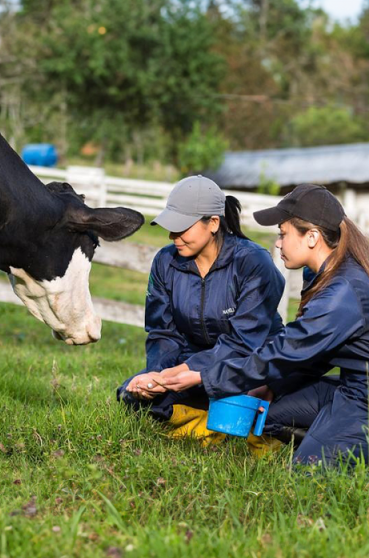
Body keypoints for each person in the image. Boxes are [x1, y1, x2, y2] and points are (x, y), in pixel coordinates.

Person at [158, 184, 369, 466]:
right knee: (267, 418)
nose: (278, 243)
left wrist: (206, 376)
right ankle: (345, 446)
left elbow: (287, 349)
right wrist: (271, 387)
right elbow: (314, 356)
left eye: (283, 233)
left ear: (311, 237)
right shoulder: (323, 276)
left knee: (308, 472)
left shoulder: (342, 292)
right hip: (352, 392)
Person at [117, 175, 285, 448]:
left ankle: (215, 426)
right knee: (132, 394)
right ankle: (216, 427)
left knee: (258, 405)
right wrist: (157, 375)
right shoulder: (165, 262)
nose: (173, 236)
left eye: (182, 227)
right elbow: (162, 332)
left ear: (214, 223)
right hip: (191, 363)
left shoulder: (253, 262)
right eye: (170, 227)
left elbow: (243, 342)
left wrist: (181, 374)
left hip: (248, 364)